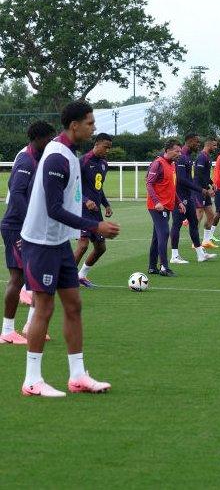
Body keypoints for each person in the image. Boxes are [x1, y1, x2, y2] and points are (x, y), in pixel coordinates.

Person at [20, 101, 120, 397]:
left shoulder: (70, 154)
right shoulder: (56, 158)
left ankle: (77, 376)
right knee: (44, 308)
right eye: (89, 122)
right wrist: (94, 225)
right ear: (74, 125)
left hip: (59, 242)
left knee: (74, 305)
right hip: (41, 243)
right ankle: (32, 380)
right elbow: (52, 208)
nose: (93, 127)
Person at [1, 121, 55, 345]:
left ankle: (31, 325)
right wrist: (29, 224)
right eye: (49, 139)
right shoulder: (25, 160)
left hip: (29, 227)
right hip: (17, 227)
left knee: (37, 277)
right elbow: (17, 193)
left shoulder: (38, 158)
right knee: (18, 278)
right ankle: (7, 331)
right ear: (39, 139)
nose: (51, 143)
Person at [73, 133, 113, 288]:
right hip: (81, 210)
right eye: (105, 147)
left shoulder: (104, 164)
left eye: (109, 148)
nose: (107, 150)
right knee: (83, 245)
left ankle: (81, 275)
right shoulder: (83, 161)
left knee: (100, 248)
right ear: (96, 144)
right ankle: (65, 279)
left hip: (96, 213)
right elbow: (73, 186)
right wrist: (85, 200)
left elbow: (98, 188)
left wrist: (106, 204)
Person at [169, 133, 216, 264]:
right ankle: (174, 256)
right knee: (177, 224)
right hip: (179, 197)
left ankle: (200, 254)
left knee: (194, 223)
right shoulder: (181, 157)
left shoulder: (188, 157)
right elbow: (181, 180)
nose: (198, 144)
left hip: (188, 196)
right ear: (189, 141)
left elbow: (188, 179)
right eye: (196, 142)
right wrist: (200, 189)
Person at [146, 140, 184, 276]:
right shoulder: (157, 164)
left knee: (157, 236)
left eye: (180, 151)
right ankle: (164, 267)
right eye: (177, 151)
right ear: (167, 150)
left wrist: (179, 202)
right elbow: (149, 184)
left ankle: (152, 267)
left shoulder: (172, 165)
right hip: (157, 207)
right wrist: (157, 202)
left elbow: (171, 187)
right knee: (164, 233)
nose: (179, 153)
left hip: (167, 206)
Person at [195, 137, 219, 248]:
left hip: (205, 188)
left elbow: (205, 175)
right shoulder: (201, 156)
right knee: (199, 214)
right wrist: (207, 188)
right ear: (208, 145)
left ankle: (206, 241)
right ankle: (194, 241)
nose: (216, 147)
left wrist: (212, 183)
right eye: (214, 145)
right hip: (199, 189)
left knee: (211, 215)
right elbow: (199, 174)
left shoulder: (208, 157)